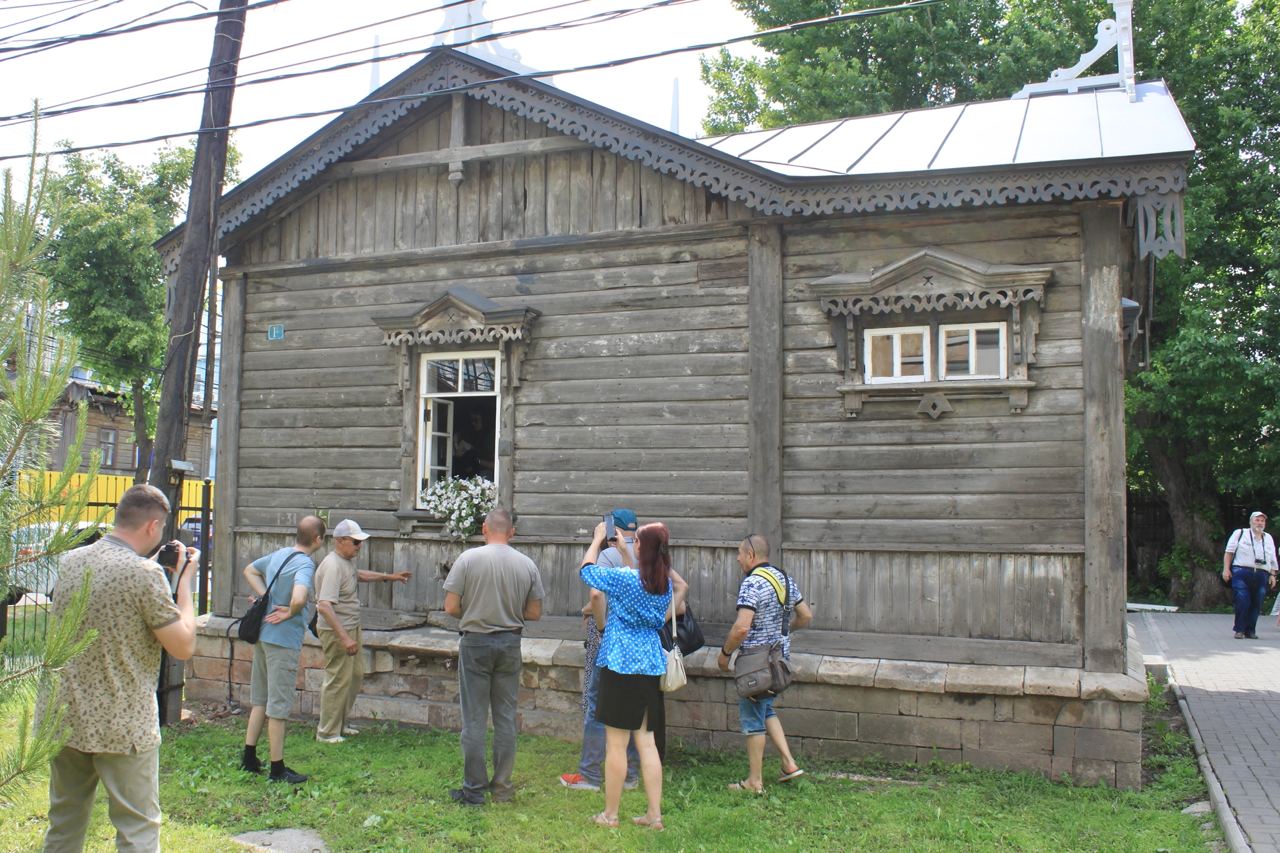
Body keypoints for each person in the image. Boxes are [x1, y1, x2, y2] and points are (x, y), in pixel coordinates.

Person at [40, 484, 200, 853]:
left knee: (64, 822)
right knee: (137, 829)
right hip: (122, 720)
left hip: (65, 713)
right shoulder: (143, 574)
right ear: (153, 525)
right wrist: (185, 584)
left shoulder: (70, 561)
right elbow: (183, 645)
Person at [579, 520, 682, 831]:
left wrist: (597, 541)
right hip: (649, 666)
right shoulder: (663, 585)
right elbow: (640, 584)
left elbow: (588, 573)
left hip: (619, 663)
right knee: (646, 743)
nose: (633, 542)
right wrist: (626, 555)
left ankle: (610, 815)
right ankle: (654, 815)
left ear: (643, 547)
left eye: (636, 540)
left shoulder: (626, 579)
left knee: (616, 744)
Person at [443, 507, 544, 806]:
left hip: (475, 643)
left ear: (485, 529)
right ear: (511, 532)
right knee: (505, 718)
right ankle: (502, 789)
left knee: (473, 720)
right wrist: (509, 612)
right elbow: (535, 613)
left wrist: (475, 610)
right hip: (510, 643)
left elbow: (450, 607)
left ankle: (473, 791)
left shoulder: (467, 560)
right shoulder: (527, 564)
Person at [717, 534, 812, 794]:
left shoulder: (751, 584)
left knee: (752, 719)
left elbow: (741, 628)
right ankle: (789, 763)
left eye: (739, 553)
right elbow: (805, 615)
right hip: (778, 660)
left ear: (750, 555)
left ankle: (754, 782)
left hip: (754, 665)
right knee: (766, 709)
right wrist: (784, 632)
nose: (737, 558)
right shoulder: (785, 580)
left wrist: (725, 654)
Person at [240, 515, 326, 784]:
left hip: (263, 636)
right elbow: (300, 597)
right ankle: (277, 770)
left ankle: (249, 757)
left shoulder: (279, 554)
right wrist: (290, 610)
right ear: (318, 540)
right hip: (283, 640)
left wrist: (266, 596)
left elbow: (249, 570)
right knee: (278, 707)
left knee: (260, 700)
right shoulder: (304, 563)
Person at [560, 509, 641, 792]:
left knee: (597, 703)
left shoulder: (608, 554)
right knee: (630, 706)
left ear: (612, 528)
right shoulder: (651, 556)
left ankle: (590, 774)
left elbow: (596, 593)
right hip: (640, 645)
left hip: (611, 638)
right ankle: (630, 774)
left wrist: (601, 624)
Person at [313, 518, 411, 743]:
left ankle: (340, 723)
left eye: (361, 542)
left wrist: (391, 577)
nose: (359, 546)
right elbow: (324, 606)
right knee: (337, 679)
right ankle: (327, 733)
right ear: (340, 541)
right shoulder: (333, 566)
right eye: (355, 542)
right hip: (337, 631)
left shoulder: (345, 562)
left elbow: (360, 575)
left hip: (350, 627)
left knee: (355, 676)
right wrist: (345, 638)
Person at [1222, 511, 1277, 638]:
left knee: (1257, 603)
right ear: (1251, 521)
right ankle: (1239, 629)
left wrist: (1273, 575)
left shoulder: (1268, 538)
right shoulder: (1240, 533)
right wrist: (1226, 569)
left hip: (1261, 573)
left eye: (1262, 521)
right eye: (1257, 520)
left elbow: (1273, 559)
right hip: (1241, 571)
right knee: (1242, 599)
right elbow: (1229, 552)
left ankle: (1250, 630)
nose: (1260, 523)